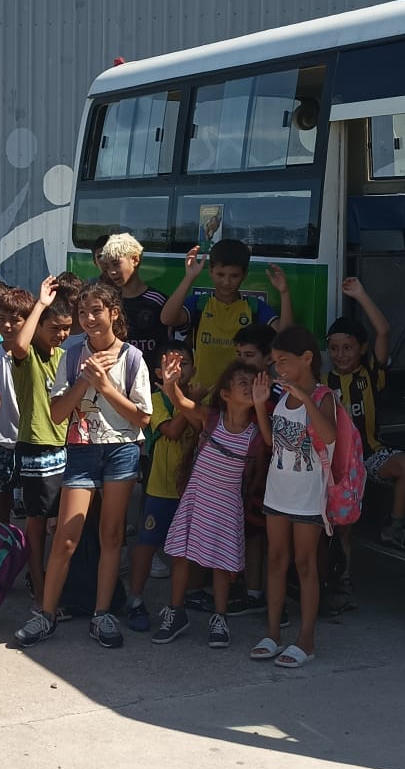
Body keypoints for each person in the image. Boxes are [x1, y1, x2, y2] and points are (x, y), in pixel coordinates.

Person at [13, 280, 150, 649]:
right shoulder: (72, 355)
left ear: (113, 314)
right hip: (81, 449)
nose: (88, 319)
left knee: (111, 536)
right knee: (66, 537)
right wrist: (84, 380)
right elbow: (58, 414)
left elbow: (142, 418)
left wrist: (105, 387)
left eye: (96, 311)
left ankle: (102, 614)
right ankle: (46, 613)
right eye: (83, 312)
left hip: (121, 450)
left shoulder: (134, 358)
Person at [152, 359, 262, 649]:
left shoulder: (256, 435)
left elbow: (256, 475)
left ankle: (220, 618)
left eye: (253, 384)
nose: (250, 388)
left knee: (222, 565)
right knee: (180, 557)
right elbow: (180, 401)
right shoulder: (210, 418)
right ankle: (176, 612)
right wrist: (172, 382)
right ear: (225, 394)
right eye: (242, 383)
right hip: (197, 500)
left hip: (227, 507)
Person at [250, 327, 339, 668]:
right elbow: (273, 442)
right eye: (275, 363)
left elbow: (330, 435)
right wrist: (261, 407)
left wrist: (305, 399)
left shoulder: (323, 397)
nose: (278, 369)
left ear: (307, 359)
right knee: (275, 561)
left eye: (283, 362)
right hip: (278, 493)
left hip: (307, 498)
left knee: (305, 566)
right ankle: (273, 633)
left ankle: (306, 639)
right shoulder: (281, 395)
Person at [7, 275, 74, 603]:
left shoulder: (65, 358)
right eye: (54, 327)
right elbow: (19, 344)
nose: (61, 334)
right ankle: (36, 578)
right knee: (36, 520)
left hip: (66, 447)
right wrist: (41, 304)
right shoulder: (27, 354)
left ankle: (56, 577)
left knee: (61, 521)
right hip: (35, 446)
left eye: (66, 328)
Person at [331, 276, 405, 547]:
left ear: (362, 348)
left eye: (348, 348)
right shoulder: (324, 382)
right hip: (337, 462)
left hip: (370, 455)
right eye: (334, 348)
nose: (341, 355)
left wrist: (361, 295)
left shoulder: (371, 373)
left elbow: (384, 332)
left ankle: (395, 526)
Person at [123, 338, 194, 632]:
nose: (178, 370)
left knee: (184, 550)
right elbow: (173, 431)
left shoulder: (198, 395)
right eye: (170, 366)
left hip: (192, 488)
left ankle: (177, 607)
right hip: (161, 486)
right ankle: (135, 600)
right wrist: (184, 401)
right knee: (148, 543)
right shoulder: (155, 397)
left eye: (184, 364)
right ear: (157, 373)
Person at [160, 238, 296, 391]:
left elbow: (285, 337)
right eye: (220, 274)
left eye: (234, 276)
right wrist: (189, 277)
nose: (226, 282)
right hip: (201, 395)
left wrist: (284, 293)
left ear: (244, 275)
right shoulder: (200, 303)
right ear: (211, 272)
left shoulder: (254, 307)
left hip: (241, 397)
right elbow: (167, 318)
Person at [0, 286, 33, 524]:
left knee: (37, 506)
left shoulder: (37, 354)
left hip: (33, 439)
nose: (6, 326)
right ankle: (1, 546)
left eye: (14, 320)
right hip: (2, 441)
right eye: (2, 319)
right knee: (1, 500)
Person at [95, 233, 169, 376]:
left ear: (135, 259)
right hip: (119, 384)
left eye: (116, 264)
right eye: (108, 266)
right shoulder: (110, 303)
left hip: (152, 384)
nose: (112, 272)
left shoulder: (158, 301)